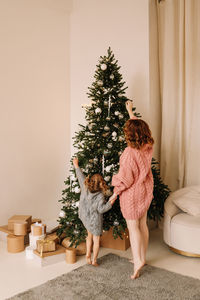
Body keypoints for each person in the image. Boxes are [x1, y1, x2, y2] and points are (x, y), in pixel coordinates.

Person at [111, 100, 154, 279]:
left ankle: (137, 260)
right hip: (145, 190)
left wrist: (114, 194)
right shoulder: (147, 147)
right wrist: (130, 112)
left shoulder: (129, 154)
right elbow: (137, 126)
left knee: (132, 226)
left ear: (130, 136)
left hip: (132, 194)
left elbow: (125, 179)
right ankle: (142, 256)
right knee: (142, 224)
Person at [73, 157, 116, 266]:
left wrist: (76, 165)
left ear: (91, 181)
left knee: (89, 237)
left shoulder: (85, 187)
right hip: (95, 220)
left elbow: (80, 176)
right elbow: (101, 209)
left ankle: (88, 255)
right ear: (101, 183)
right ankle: (94, 260)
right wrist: (111, 202)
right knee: (96, 240)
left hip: (85, 217)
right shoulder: (100, 196)